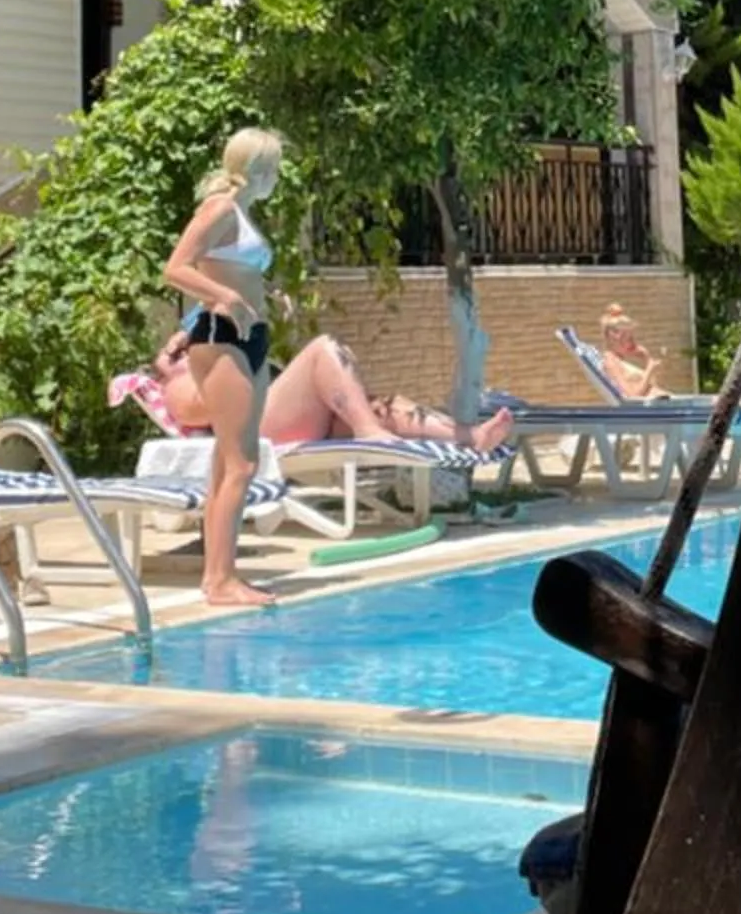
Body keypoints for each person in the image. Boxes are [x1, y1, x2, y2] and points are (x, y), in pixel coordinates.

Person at [161, 126, 286, 607]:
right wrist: (224, 296)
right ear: (256, 169)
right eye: (273, 168)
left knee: (228, 463)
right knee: (241, 463)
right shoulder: (219, 208)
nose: (277, 177)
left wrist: (269, 293)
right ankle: (221, 580)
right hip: (221, 337)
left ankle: (217, 575)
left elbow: (236, 269)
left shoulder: (243, 215)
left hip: (251, 337)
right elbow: (177, 267)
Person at [143, 326, 515, 456]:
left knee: (383, 407)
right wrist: (203, 353)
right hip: (256, 431)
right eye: (171, 355)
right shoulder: (176, 387)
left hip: (279, 418)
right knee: (323, 349)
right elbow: (212, 407)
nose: (180, 351)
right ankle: (368, 430)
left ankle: (470, 436)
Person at [595, 303, 671, 403]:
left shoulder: (618, 361)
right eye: (630, 339)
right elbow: (632, 397)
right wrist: (649, 368)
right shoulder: (611, 362)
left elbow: (652, 385)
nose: (634, 343)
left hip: (662, 403)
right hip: (655, 408)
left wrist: (646, 357)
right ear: (616, 339)